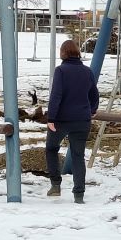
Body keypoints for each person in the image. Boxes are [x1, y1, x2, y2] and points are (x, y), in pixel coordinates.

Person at [45, 38, 99, 203]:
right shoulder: (87, 71)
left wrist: (51, 117)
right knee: (78, 155)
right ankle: (79, 195)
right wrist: (92, 110)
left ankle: (55, 185)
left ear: (63, 53)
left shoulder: (61, 71)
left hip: (61, 120)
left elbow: (56, 96)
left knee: (51, 149)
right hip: (82, 120)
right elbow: (94, 95)